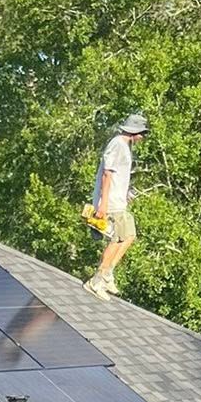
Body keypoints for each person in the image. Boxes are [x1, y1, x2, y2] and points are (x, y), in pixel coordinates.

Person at [84, 112, 147, 299]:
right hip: (110, 202)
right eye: (142, 133)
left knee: (129, 235)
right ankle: (96, 281)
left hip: (119, 202)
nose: (143, 137)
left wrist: (126, 194)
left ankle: (107, 273)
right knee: (117, 238)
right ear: (134, 131)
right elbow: (107, 174)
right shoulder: (117, 144)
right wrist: (103, 204)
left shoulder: (125, 146)